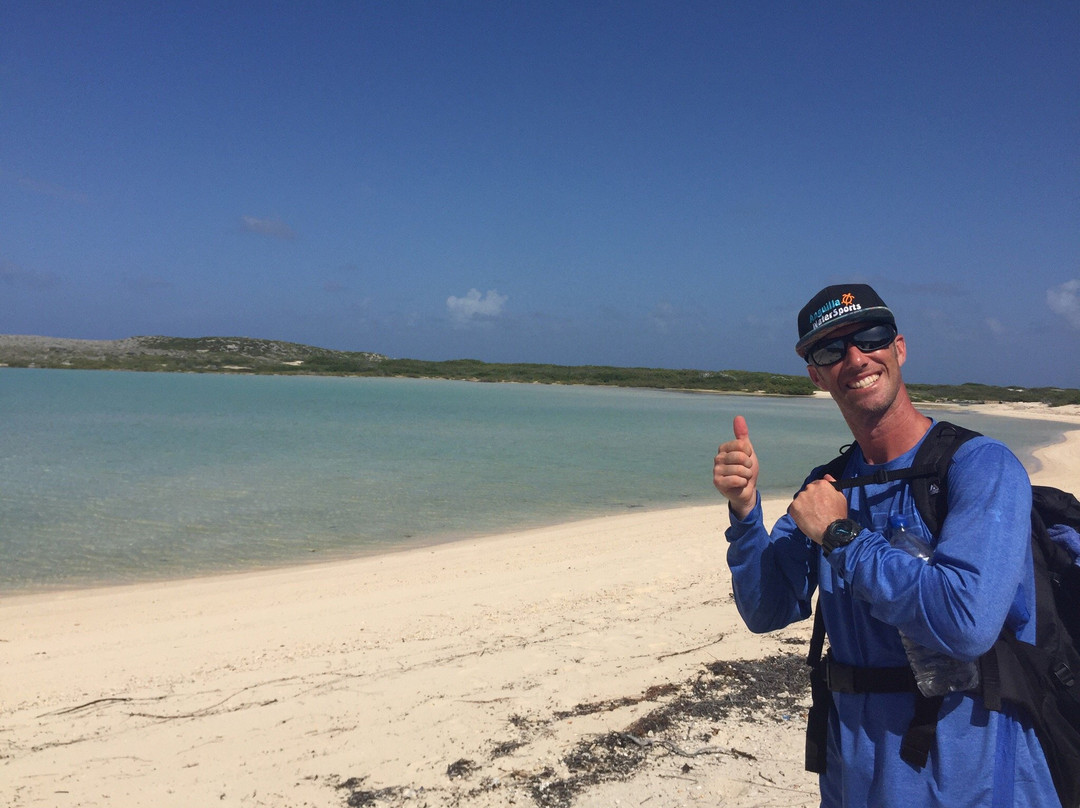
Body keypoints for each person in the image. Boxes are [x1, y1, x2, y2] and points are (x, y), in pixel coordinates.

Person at [712, 284, 1059, 807]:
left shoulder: (981, 467)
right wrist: (743, 511)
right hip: (856, 774)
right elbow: (767, 609)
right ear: (816, 374)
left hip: (974, 775)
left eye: (869, 337)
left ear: (898, 347)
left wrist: (841, 537)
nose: (855, 358)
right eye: (831, 350)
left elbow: (967, 622)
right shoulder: (829, 484)